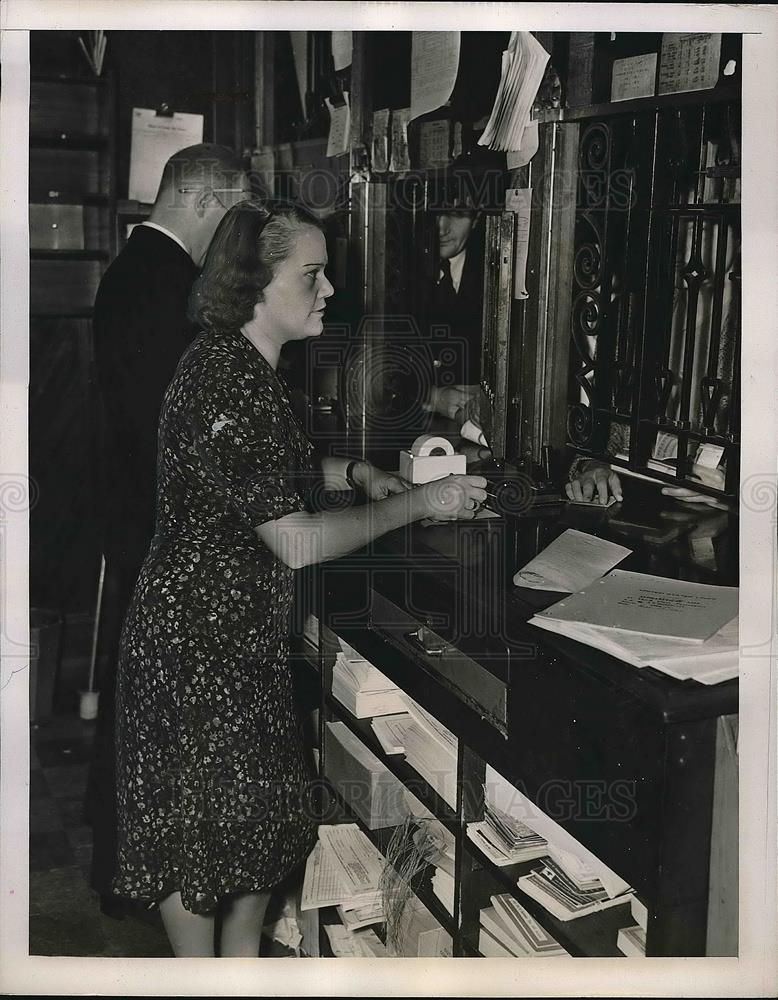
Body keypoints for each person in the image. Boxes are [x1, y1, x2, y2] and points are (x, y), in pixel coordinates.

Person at [112, 198, 487, 957]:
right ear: (255, 285)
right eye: (312, 275)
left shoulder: (241, 365)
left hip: (227, 642)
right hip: (197, 649)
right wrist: (423, 500)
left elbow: (259, 475)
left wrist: (354, 471)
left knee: (249, 838)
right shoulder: (227, 380)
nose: (330, 290)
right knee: (203, 844)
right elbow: (295, 541)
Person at [85, 144, 251, 917]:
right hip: (161, 525)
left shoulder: (132, 271)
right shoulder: (167, 286)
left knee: (136, 698)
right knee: (153, 711)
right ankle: (132, 865)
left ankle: (120, 856)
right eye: (234, 214)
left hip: (132, 515)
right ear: (205, 200)